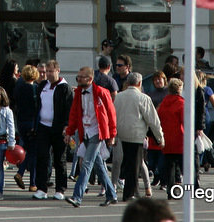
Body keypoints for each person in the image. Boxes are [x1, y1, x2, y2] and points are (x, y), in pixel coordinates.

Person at [63, 66, 118, 208]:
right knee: (99, 165)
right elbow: (74, 114)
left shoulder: (101, 92)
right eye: (78, 77)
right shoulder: (78, 93)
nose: (78, 79)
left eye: (81, 77)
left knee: (86, 164)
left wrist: (112, 134)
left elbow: (111, 114)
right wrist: (69, 131)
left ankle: (77, 196)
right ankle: (112, 195)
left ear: (90, 78)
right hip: (85, 133)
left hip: (97, 133)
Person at [114, 72, 163, 201]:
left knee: (128, 163)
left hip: (121, 133)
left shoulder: (118, 97)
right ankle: (130, 193)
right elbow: (153, 120)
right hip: (136, 134)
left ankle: (131, 191)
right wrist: (160, 137)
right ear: (140, 83)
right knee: (135, 165)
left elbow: (113, 116)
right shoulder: (143, 98)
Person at [33, 60, 72, 200]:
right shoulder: (43, 85)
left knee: (59, 159)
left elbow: (69, 109)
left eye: (50, 71)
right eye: (46, 71)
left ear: (57, 71)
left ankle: (60, 189)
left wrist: (67, 127)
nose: (48, 74)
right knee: (42, 157)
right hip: (43, 126)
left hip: (58, 127)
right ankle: (41, 188)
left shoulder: (65, 88)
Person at [156, 79, 186, 198]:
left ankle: (171, 190)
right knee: (185, 167)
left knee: (170, 167)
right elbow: (185, 121)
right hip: (180, 138)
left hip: (167, 138)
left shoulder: (163, 103)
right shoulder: (181, 103)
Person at [10, 64, 39, 191]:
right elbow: (37, 108)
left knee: (27, 148)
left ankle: (23, 174)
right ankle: (31, 181)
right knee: (33, 153)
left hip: (21, 122)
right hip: (31, 122)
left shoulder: (19, 88)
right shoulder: (35, 89)